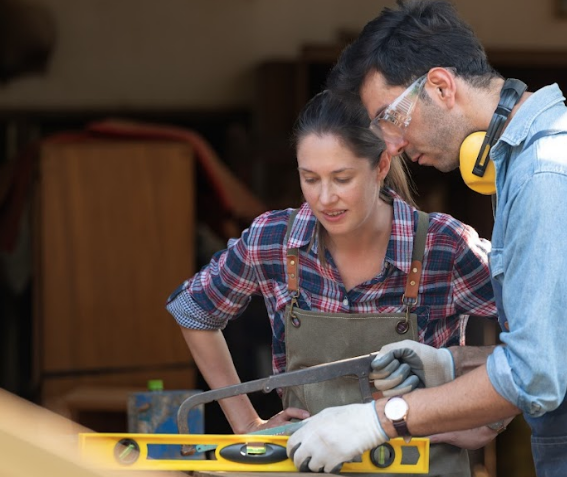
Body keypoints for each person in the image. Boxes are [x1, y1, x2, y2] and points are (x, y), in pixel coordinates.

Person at [284, 1, 567, 474]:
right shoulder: (538, 159)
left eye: (391, 119)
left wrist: (378, 420)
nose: (391, 145)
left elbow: (536, 373)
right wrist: (452, 363)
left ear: (440, 86)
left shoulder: (551, 174)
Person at [165, 91, 499, 476]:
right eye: (310, 178)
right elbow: (193, 311)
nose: (325, 198)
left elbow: (543, 335)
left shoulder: (444, 246)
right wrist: (247, 425)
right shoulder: (275, 241)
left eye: (342, 178)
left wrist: (489, 417)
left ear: (381, 165)